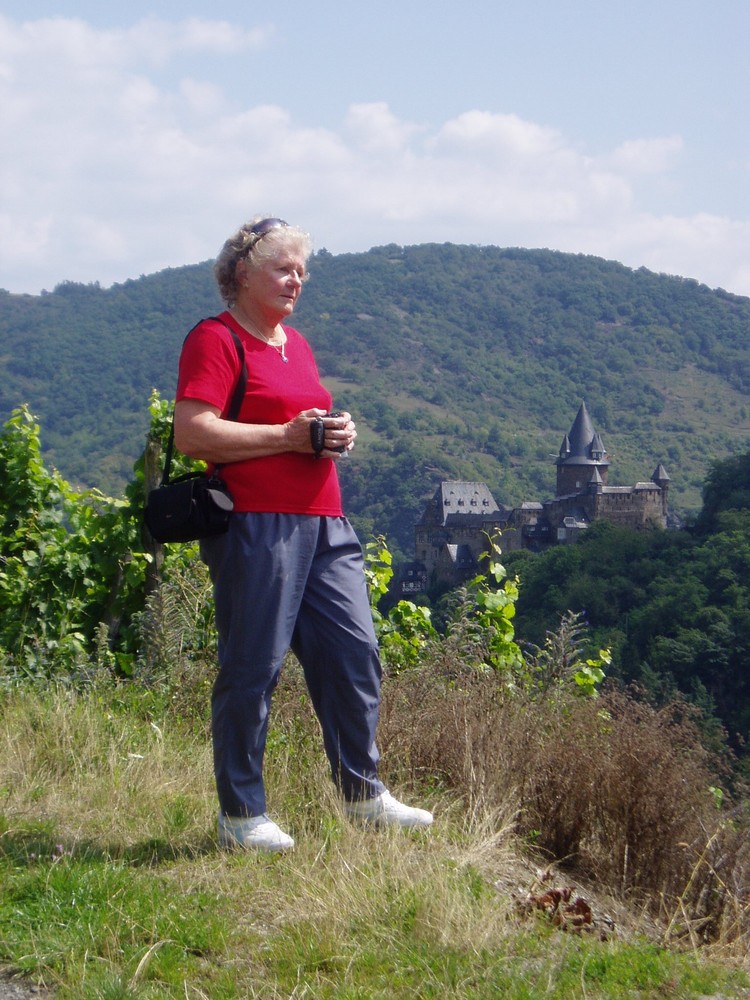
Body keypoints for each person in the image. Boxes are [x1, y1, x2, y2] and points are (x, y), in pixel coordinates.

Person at [173, 216, 433, 852]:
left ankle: (363, 794)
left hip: (325, 520)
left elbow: (300, 424)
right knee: (252, 666)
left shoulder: (297, 343)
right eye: (283, 268)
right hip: (257, 524)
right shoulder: (216, 339)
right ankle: (241, 815)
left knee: (355, 652)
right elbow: (193, 433)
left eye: (302, 271)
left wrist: (331, 434)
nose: (297, 280)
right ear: (241, 273)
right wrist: (289, 436)